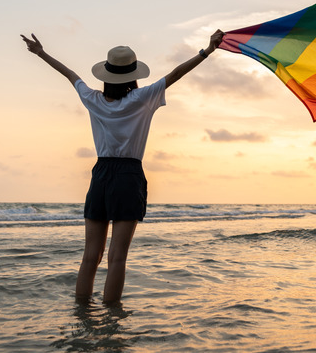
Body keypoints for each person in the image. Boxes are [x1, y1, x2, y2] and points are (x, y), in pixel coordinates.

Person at [21, 30, 224, 303]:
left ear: (106, 75)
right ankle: (112, 321)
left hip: (101, 175)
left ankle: (82, 315)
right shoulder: (142, 99)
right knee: (117, 258)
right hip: (128, 176)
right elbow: (175, 74)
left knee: (90, 256)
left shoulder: (92, 99)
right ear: (133, 76)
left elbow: (70, 74)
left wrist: (41, 52)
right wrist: (207, 50)